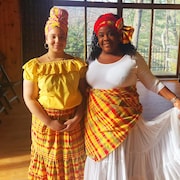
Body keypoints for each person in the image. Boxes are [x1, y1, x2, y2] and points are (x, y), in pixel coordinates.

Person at [84, 13, 180, 180]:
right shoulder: (92, 60)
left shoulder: (132, 58)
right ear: (96, 38)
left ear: (120, 34)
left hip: (125, 126)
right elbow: (84, 88)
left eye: (110, 33)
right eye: (101, 35)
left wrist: (175, 100)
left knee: (123, 161)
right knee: (101, 162)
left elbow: (153, 83)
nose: (105, 38)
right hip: (96, 126)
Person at [22, 6, 87, 180]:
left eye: (62, 36)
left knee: (74, 165)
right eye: (53, 36)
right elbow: (29, 98)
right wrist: (50, 122)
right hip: (45, 123)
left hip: (72, 123)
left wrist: (77, 118)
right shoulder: (34, 66)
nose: (58, 40)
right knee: (49, 164)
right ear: (46, 37)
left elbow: (84, 95)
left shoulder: (76, 64)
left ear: (66, 38)